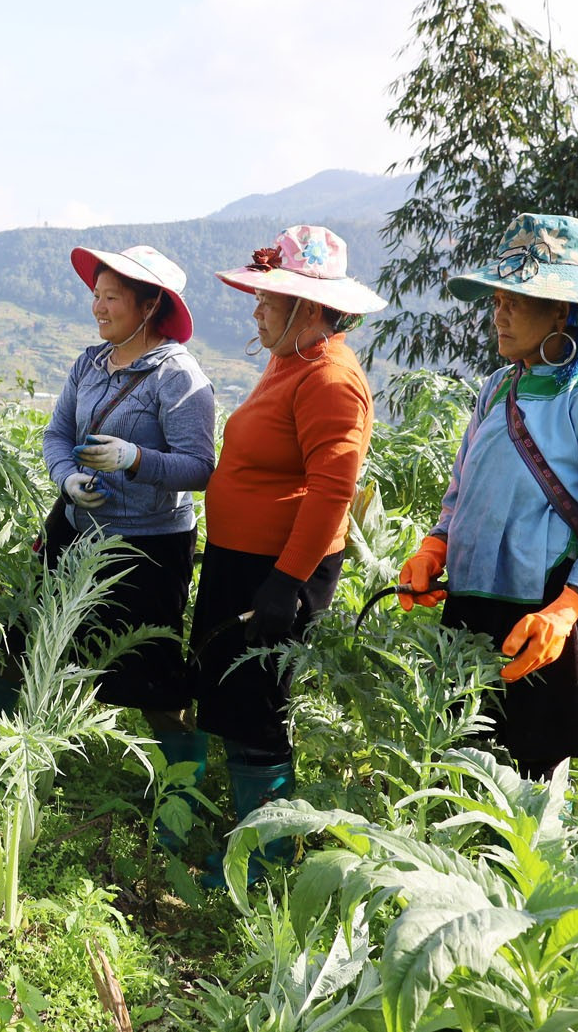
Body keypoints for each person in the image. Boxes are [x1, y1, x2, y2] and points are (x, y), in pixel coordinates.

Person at [397, 213, 578, 780]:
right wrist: (436, 546)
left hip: (541, 608)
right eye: (497, 299)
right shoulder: (498, 387)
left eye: (518, 299)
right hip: (470, 599)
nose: (499, 313)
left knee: (531, 776)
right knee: (463, 761)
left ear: (562, 309)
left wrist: (566, 611)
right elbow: (461, 489)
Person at [191, 225, 386, 877]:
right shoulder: (292, 360)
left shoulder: (332, 377)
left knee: (259, 709)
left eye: (268, 297)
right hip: (248, 561)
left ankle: (266, 857)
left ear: (307, 304)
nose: (256, 307)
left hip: (278, 571)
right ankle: (248, 843)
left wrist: (287, 580)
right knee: (240, 702)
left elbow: (334, 488)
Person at [0, 246, 215, 742]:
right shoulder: (90, 363)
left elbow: (200, 468)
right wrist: (67, 481)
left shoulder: (177, 375)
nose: (97, 307)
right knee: (21, 636)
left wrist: (135, 459)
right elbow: (56, 435)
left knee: (149, 669)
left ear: (148, 307)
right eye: (96, 295)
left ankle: (178, 794)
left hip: (146, 548)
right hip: (74, 530)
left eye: (111, 298)